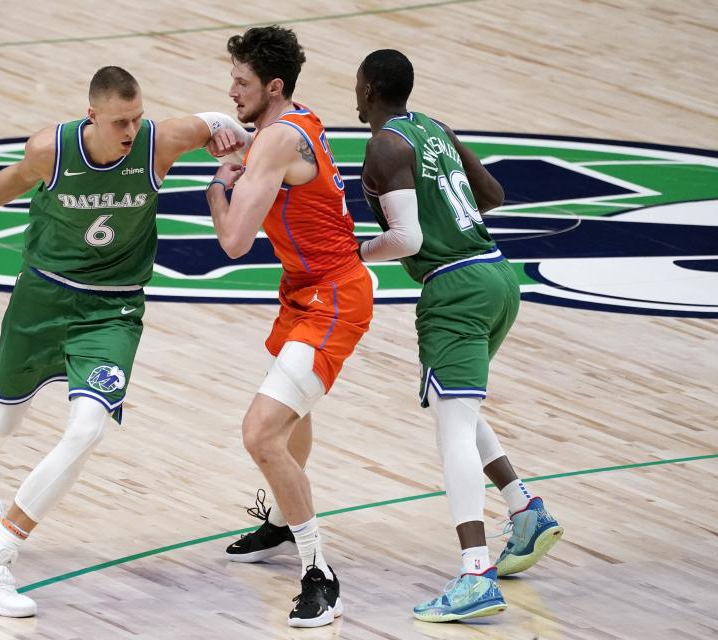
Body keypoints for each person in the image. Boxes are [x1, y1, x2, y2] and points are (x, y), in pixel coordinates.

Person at [0, 65, 251, 618]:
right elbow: (13, 181)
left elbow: (215, 125)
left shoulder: (156, 143)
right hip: (42, 296)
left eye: (137, 119)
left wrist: (228, 130)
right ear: (92, 116)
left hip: (113, 307)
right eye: (120, 122)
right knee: (5, 420)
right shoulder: (52, 150)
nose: (131, 131)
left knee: (87, 429)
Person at [353, 49, 564, 622]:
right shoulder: (434, 130)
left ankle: (475, 574)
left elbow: (408, 240)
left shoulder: (386, 144)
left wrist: (356, 252)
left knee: (451, 432)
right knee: (458, 407)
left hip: (455, 290)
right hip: (498, 278)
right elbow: (492, 195)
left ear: (369, 89)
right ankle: (526, 510)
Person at [205, 26, 373, 628]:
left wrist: (220, 185)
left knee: (261, 434)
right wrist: (243, 149)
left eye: (242, 81)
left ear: (273, 86)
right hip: (306, 293)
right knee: (291, 416)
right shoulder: (296, 120)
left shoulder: (275, 141)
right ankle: (282, 519)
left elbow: (233, 241)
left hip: (333, 300)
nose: (231, 90)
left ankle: (319, 573)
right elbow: (264, 144)